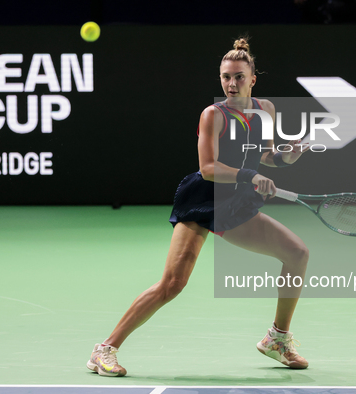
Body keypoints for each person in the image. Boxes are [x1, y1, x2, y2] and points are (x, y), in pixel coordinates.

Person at [87, 37, 310, 377]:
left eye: (238, 77)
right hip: (203, 201)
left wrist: (286, 157)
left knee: (297, 254)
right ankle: (105, 349)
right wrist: (251, 176)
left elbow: (265, 155)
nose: (231, 84)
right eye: (225, 77)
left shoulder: (264, 110)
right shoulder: (213, 115)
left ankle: (277, 339)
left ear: (253, 79)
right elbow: (208, 168)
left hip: (235, 202)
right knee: (172, 284)